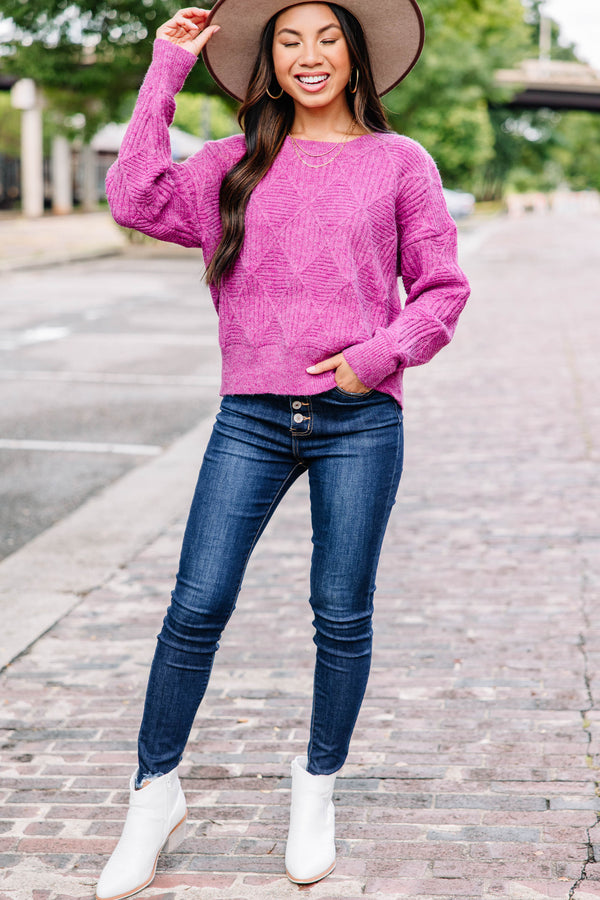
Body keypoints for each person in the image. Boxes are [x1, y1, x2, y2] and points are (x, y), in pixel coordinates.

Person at [96, 1, 470, 897]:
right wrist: (167, 69)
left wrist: (375, 360)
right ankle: (153, 798)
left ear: (355, 55)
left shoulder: (399, 162)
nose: (309, 56)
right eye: (290, 41)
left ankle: (315, 797)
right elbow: (133, 196)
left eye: (327, 38)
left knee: (341, 615)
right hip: (251, 417)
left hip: (359, 421)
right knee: (196, 606)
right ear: (268, 61)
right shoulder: (234, 164)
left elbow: (443, 290)